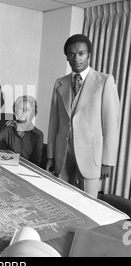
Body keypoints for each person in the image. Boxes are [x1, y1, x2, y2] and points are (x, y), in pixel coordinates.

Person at [46, 34, 120, 198]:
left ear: (89, 55)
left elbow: (111, 125)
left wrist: (107, 161)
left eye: (81, 53)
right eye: (71, 54)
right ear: (67, 57)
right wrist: (50, 155)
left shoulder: (105, 81)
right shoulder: (60, 83)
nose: (76, 58)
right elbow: (53, 124)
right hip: (63, 154)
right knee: (62, 199)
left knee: (89, 204)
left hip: (91, 156)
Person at [0, 95, 43, 166]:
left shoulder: (38, 134)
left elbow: (36, 164)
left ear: (33, 113)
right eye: (20, 109)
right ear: (16, 111)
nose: (23, 112)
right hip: (6, 168)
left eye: (27, 110)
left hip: (26, 171)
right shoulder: (8, 128)